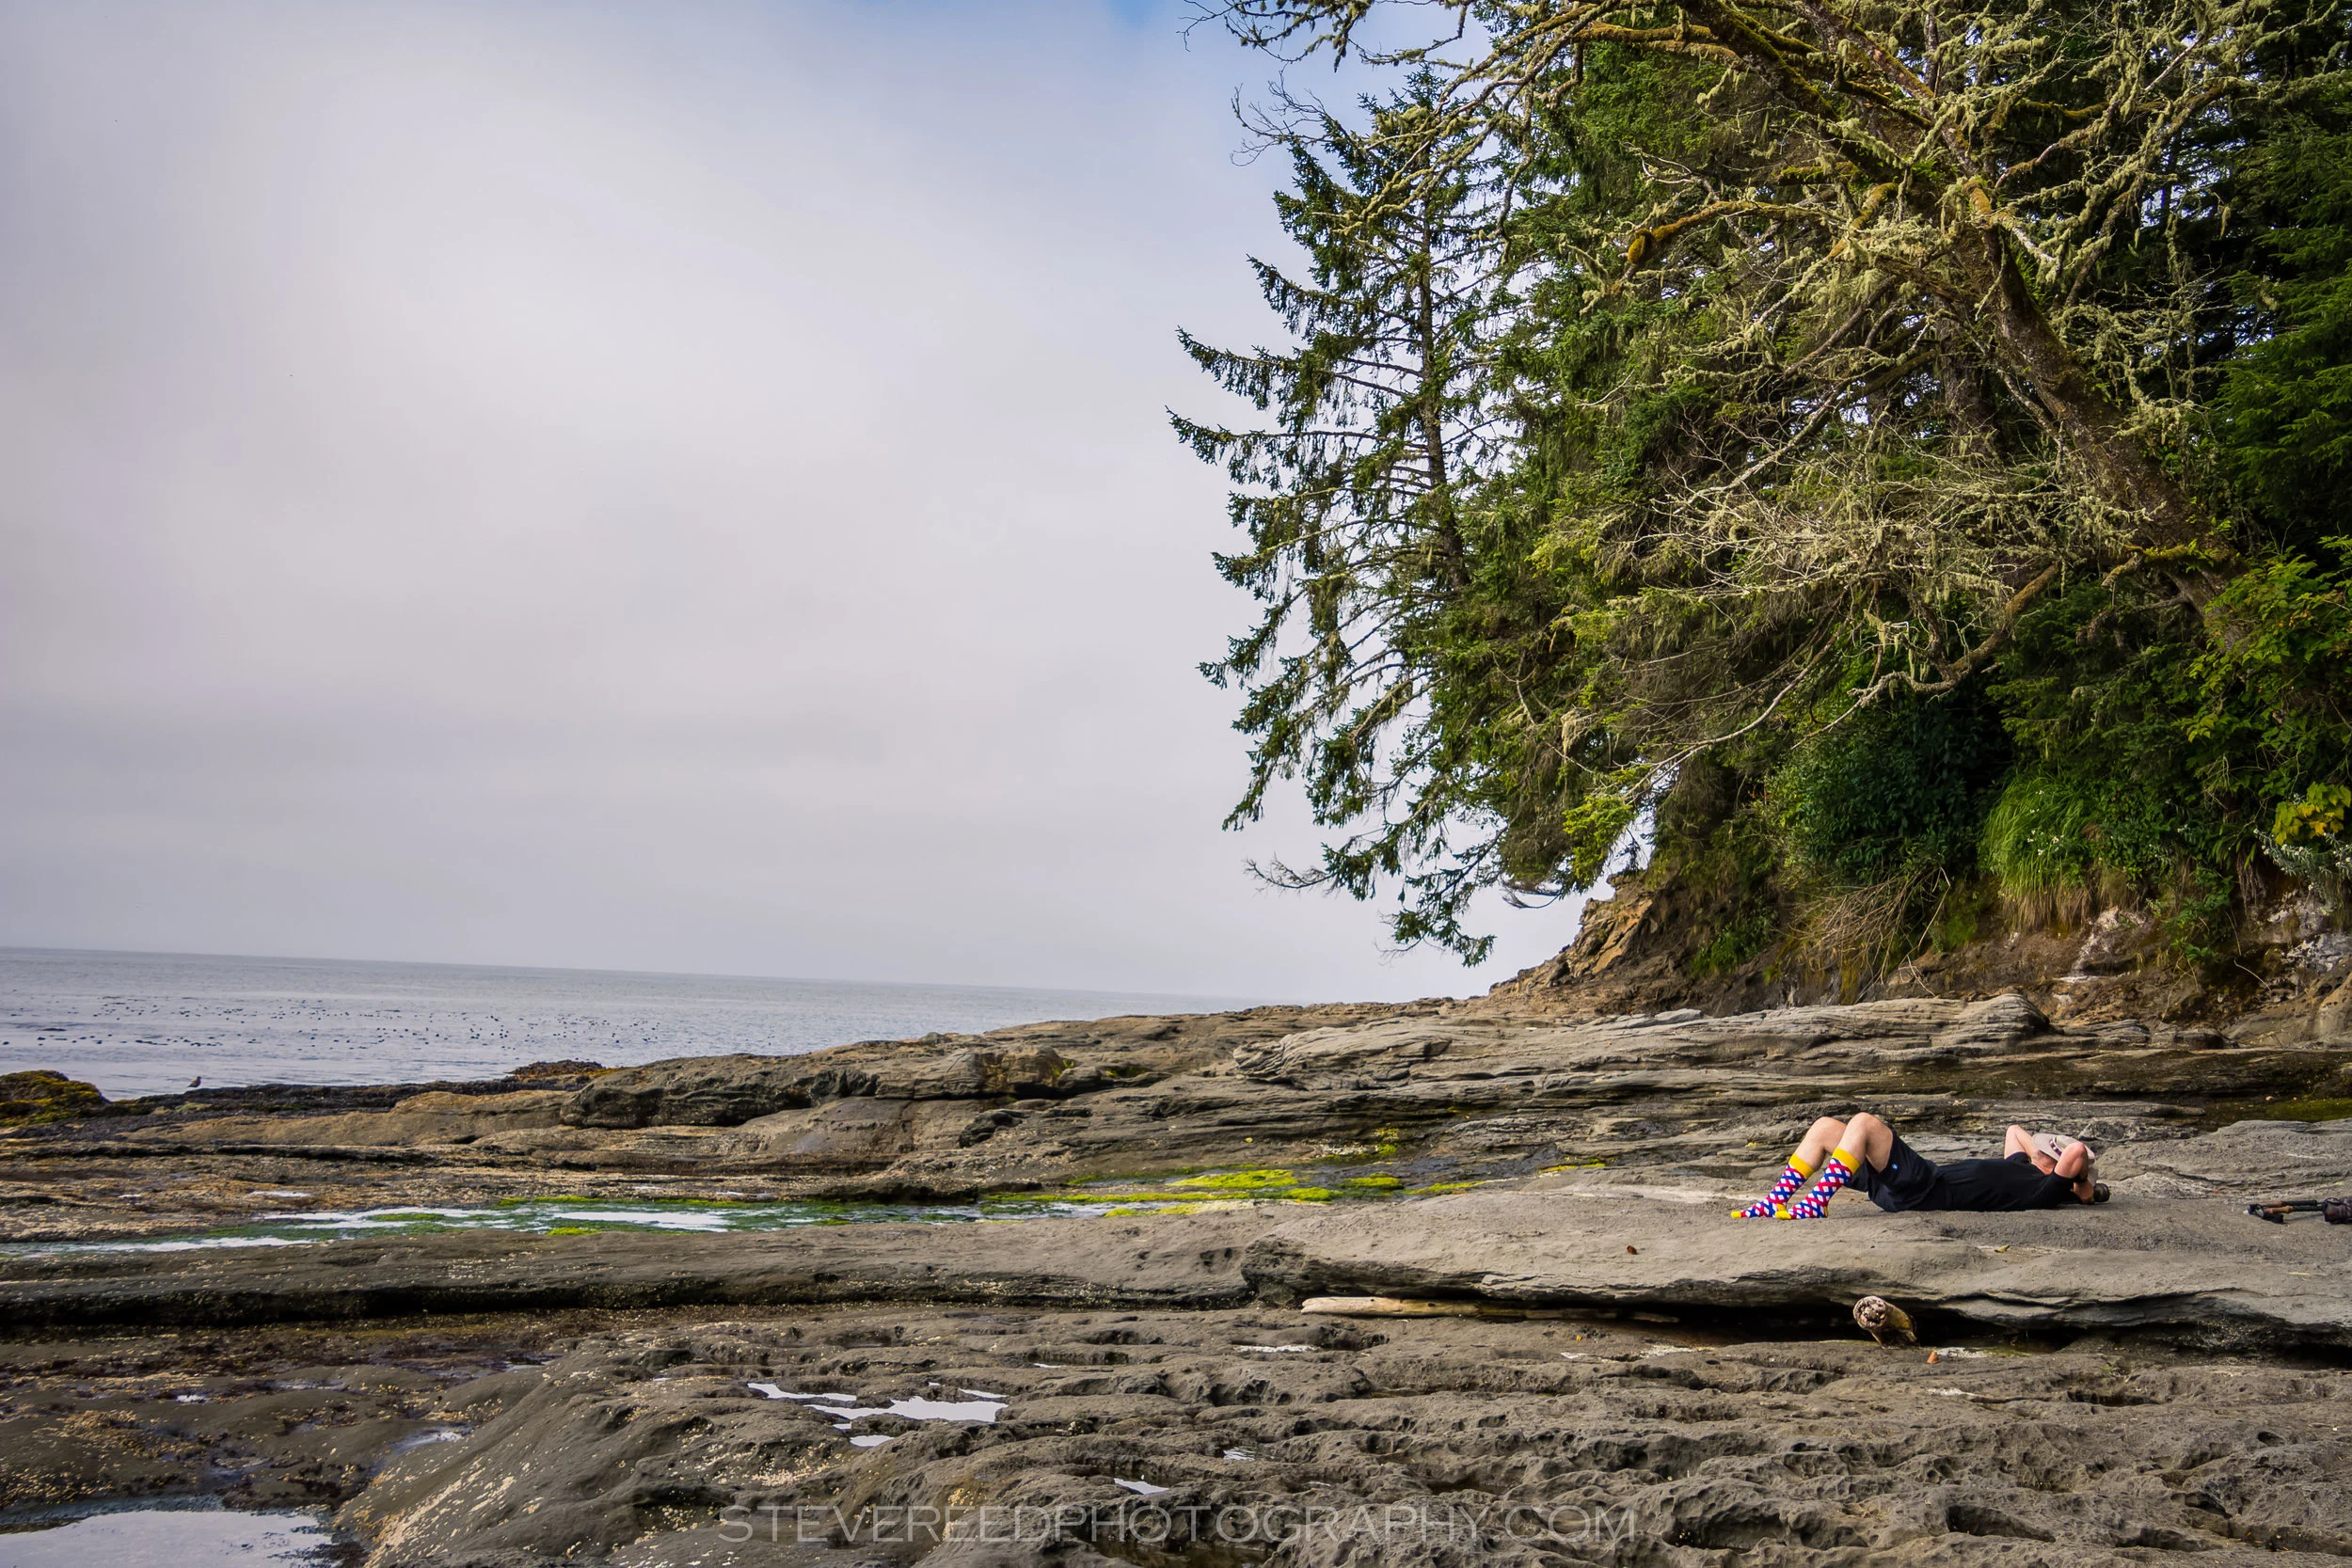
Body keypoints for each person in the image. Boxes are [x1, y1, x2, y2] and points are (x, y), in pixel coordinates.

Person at [1733, 1113, 2106, 1219]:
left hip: (1924, 1188)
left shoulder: (2045, 1190)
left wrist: (2081, 1183)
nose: (2041, 1150)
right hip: (1904, 1186)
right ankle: (1775, 1201)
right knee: (1825, 1127)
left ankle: (1816, 1203)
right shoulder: (2025, 1167)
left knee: (1864, 1124)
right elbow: (2014, 1132)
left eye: (2049, 1153)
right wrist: (2042, 1150)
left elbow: (2076, 1152)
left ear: (2062, 1171)